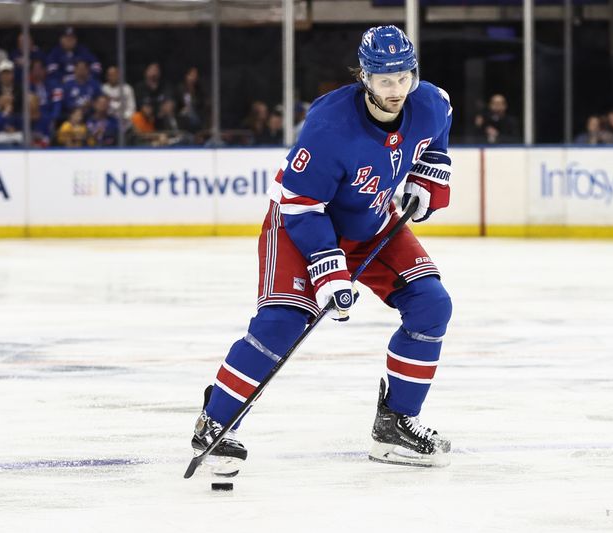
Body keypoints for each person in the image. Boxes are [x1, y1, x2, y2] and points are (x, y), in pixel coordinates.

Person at [190, 25, 453, 474]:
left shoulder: (431, 102)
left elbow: (436, 141)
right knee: (282, 321)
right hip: (301, 226)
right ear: (364, 78)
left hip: (370, 223)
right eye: (385, 80)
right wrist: (328, 274)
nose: (396, 90)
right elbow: (300, 206)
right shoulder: (329, 126)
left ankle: (394, 426)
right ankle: (214, 423)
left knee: (431, 304)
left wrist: (426, 179)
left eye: (404, 78)